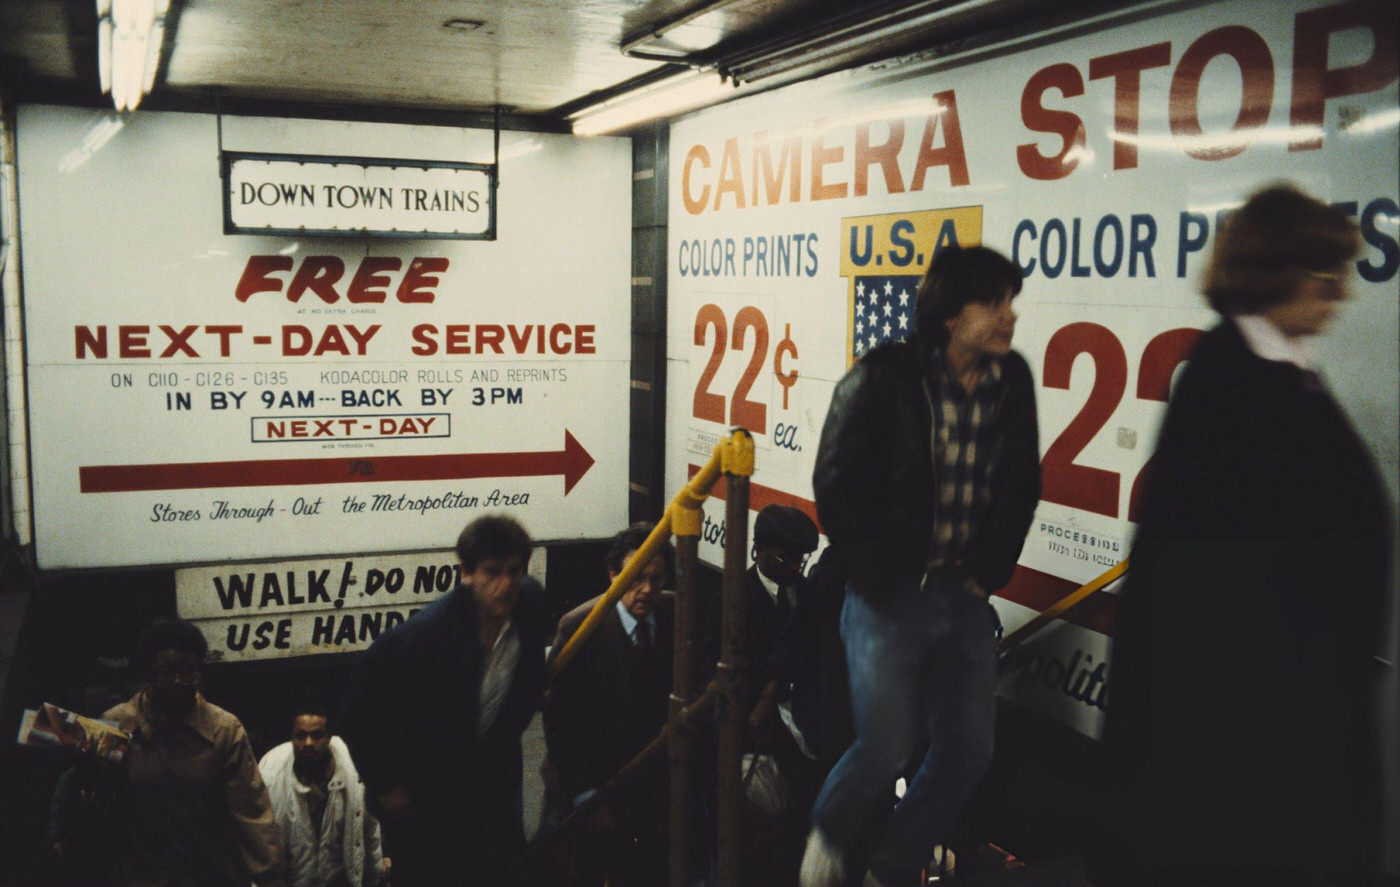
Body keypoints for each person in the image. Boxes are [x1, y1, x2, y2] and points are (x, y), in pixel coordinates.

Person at [1104, 184, 1393, 886]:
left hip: (1282, 713)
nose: (1342, 295)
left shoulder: (1284, 371)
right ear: (1276, 272)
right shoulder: (1230, 385)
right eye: (1327, 276)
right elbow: (1200, 587)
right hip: (1245, 729)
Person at [804, 244, 1041, 887]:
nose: (1009, 316)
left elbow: (1023, 482)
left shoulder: (1013, 381)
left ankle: (890, 865)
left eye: (1011, 301)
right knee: (883, 748)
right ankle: (824, 852)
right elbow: (835, 483)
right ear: (948, 314)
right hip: (887, 596)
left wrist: (988, 571)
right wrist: (876, 574)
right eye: (993, 302)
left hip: (962, 597)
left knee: (969, 750)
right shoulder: (882, 377)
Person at [339, 514, 548, 887]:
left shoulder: (529, 604)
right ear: (466, 574)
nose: (506, 584)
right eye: (492, 572)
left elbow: (531, 669)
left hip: (489, 779)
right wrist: (386, 785)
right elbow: (358, 706)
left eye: (515, 571)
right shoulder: (425, 637)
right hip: (426, 791)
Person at [101, 618, 285, 887]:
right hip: (142, 874)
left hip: (211, 874)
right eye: (167, 673)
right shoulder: (117, 725)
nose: (180, 682)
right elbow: (98, 796)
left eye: (189, 671)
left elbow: (251, 812)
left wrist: (269, 876)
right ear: (151, 675)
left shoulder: (224, 730)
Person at [543, 523, 675, 887]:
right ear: (613, 573)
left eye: (657, 578)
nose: (647, 589)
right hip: (593, 786)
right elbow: (560, 724)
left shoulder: (673, 614)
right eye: (637, 578)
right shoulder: (580, 628)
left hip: (650, 788)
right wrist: (587, 798)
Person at [741, 504, 822, 886]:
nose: (795, 567)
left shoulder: (807, 594)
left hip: (805, 723)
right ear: (759, 551)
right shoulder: (734, 600)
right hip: (759, 734)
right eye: (787, 558)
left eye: (800, 559)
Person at [257, 703, 387, 887]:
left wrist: (375, 877)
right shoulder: (271, 774)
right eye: (301, 735)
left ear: (329, 737)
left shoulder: (352, 772)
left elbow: (370, 829)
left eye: (317, 735)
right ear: (292, 737)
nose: (308, 743)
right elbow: (260, 843)